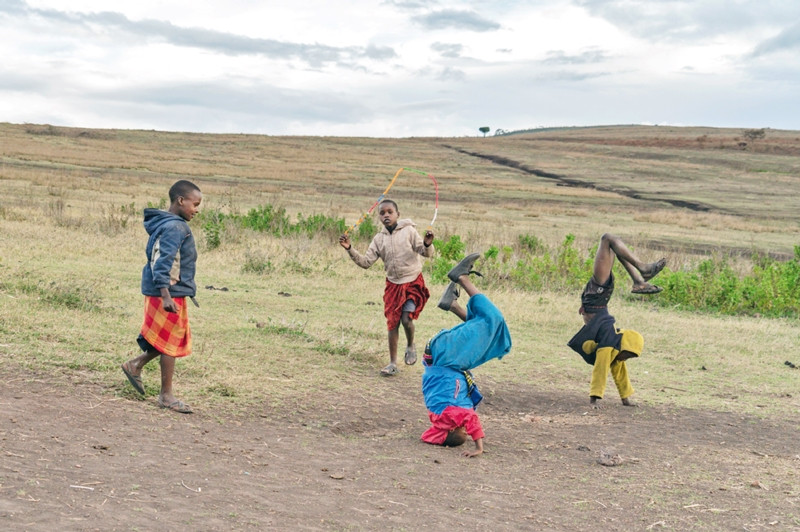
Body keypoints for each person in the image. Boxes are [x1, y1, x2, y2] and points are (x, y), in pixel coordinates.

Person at [121, 180, 202, 414]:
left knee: (167, 338)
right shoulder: (176, 228)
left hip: (165, 290)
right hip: (166, 292)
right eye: (194, 204)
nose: (196, 209)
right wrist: (166, 295)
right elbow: (163, 262)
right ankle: (166, 396)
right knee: (170, 342)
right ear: (180, 201)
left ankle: (134, 365)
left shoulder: (166, 224)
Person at [421, 253, 512, 457]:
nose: (466, 430)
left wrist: (479, 447)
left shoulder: (450, 415)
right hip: (441, 356)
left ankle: (462, 277)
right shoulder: (437, 416)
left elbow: (471, 418)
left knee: (493, 319)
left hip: (447, 355)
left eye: (463, 431)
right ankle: (453, 305)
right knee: (497, 342)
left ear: (453, 428)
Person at [567, 233, 666, 409]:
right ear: (623, 345)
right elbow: (600, 369)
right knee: (607, 239)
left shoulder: (614, 347)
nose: (625, 358)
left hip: (598, 300)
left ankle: (639, 279)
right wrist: (594, 399)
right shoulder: (609, 344)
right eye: (627, 354)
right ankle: (640, 275)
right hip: (597, 297)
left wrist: (626, 399)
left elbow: (619, 373)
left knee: (609, 241)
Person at [338, 199, 434, 376]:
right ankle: (392, 363)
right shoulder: (378, 239)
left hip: (412, 281)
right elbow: (366, 262)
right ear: (379, 217)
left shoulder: (409, 231)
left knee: (406, 319)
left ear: (398, 214)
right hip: (393, 286)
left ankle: (411, 345)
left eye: (390, 212)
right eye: (382, 213)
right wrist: (349, 248)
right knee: (392, 325)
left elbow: (425, 252)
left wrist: (428, 244)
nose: (386, 215)